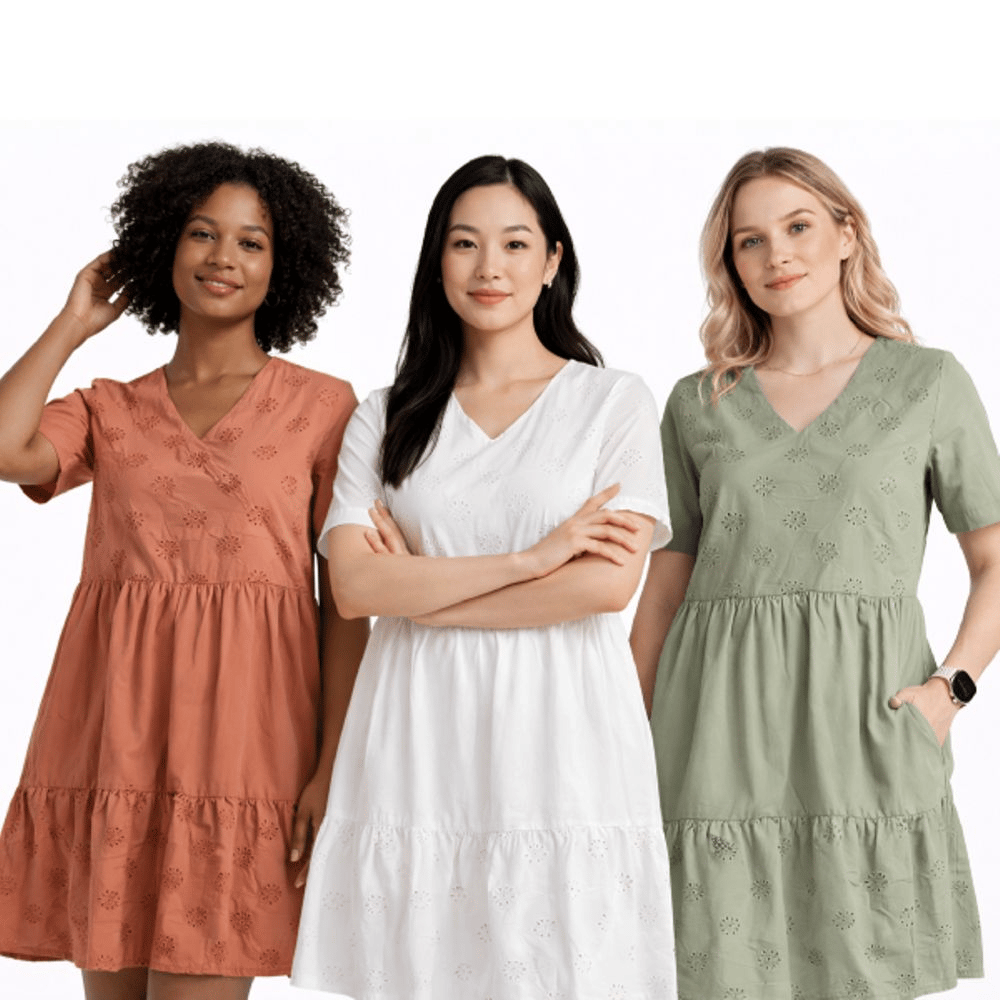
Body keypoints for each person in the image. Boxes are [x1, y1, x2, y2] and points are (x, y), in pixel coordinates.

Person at [290, 155, 677, 999]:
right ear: (438, 263)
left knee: (562, 964)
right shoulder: (384, 416)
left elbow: (605, 589)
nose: (489, 267)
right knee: (421, 964)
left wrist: (423, 595)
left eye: (514, 243)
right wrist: (532, 560)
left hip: (563, 724)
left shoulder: (614, 403)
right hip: (416, 725)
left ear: (552, 262)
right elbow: (355, 591)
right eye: (464, 244)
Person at [630, 146, 1000, 1000]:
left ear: (846, 234)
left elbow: (994, 560)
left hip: (866, 719)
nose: (776, 255)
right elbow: (668, 582)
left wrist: (951, 690)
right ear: (730, 264)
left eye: (797, 227)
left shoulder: (927, 382)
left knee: (867, 971)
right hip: (713, 728)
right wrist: (622, 728)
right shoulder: (699, 402)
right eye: (749, 241)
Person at [0, 142, 367, 1000]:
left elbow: (345, 601)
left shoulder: (323, 406)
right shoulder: (108, 406)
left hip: (247, 743)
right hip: (113, 736)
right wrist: (72, 323)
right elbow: (5, 450)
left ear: (284, 267)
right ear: (164, 246)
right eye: (202, 234)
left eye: (251, 241)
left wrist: (330, 761)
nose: (222, 258)